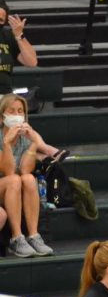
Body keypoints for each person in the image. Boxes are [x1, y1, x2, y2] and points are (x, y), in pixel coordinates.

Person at [0, 93, 53, 257]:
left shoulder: (25, 137)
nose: (17, 115)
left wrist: (34, 143)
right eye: (12, 111)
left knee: (29, 179)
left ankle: (33, 236)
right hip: (4, 184)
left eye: (20, 111)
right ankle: (16, 238)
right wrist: (7, 144)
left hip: (14, 189)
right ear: (2, 116)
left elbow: (25, 170)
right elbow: (7, 171)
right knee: (13, 180)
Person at [0, 0, 37, 94]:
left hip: (5, 96)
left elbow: (31, 62)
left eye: (0, 20)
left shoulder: (7, 36)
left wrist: (19, 35)